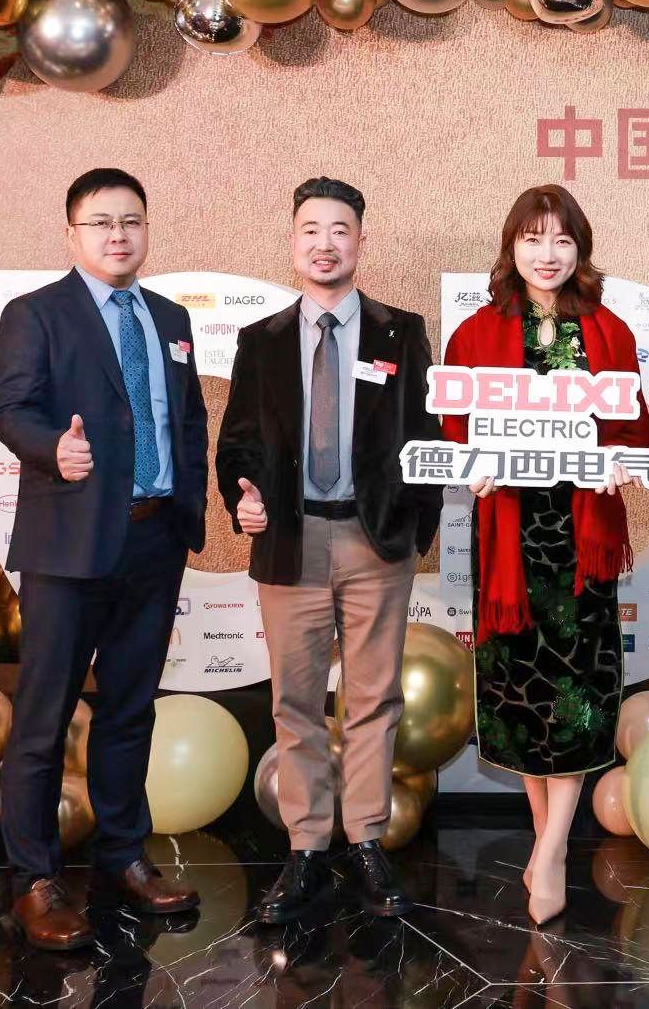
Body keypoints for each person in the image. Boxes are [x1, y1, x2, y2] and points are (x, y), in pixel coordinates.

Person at [0, 168, 207, 951]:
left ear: (146, 228)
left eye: (131, 221)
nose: (118, 235)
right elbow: (12, 408)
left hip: (154, 537)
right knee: (43, 717)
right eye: (101, 222)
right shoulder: (35, 313)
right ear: (72, 233)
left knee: (129, 708)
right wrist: (54, 447)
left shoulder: (171, 317)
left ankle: (121, 854)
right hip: (69, 543)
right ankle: (35, 878)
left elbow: (187, 419)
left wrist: (190, 507)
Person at [216, 178, 442, 921]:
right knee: (296, 699)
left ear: (360, 242)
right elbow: (238, 440)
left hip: (375, 539)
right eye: (311, 229)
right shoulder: (261, 341)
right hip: (291, 540)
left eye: (339, 230)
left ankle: (367, 838)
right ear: (293, 242)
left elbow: (425, 434)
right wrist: (242, 495)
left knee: (374, 697)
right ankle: (307, 846)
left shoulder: (401, 332)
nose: (325, 243)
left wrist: (413, 532)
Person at [441, 183, 649, 926]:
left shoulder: (609, 330)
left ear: (580, 249)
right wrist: (471, 461)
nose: (548, 253)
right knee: (524, 690)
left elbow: (632, 426)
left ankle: (554, 847)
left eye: (562, 239)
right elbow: (455, 423)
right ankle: (547, 839)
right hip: (509, 536)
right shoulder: (476, 332)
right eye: (533, 238)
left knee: (577, 690)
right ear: (512, 246)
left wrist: (623, 461)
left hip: (580, 538)